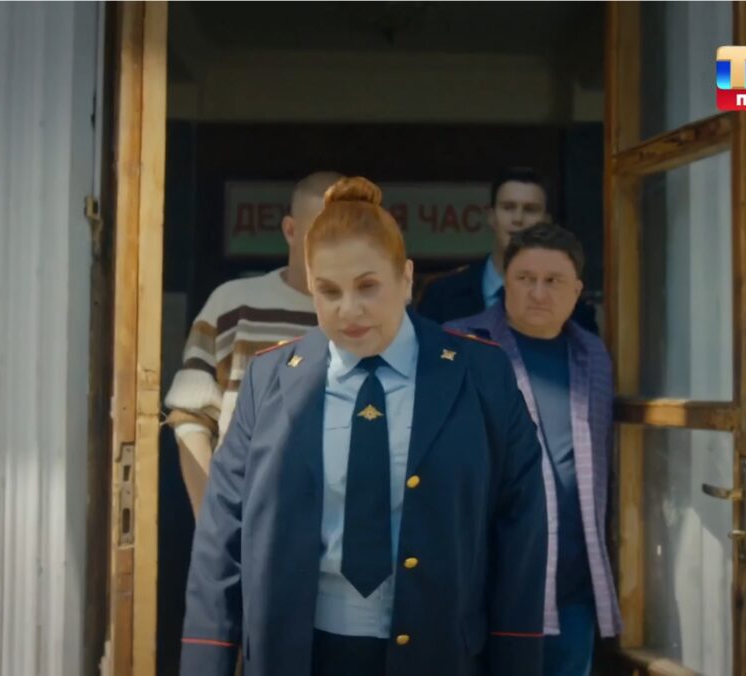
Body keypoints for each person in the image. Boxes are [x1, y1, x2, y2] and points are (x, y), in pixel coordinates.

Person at [181, 177, 548, 676]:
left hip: (440, 654)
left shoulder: (479, 374)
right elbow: (222, 538)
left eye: (368, 286)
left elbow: (521, 530)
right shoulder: (270, 380)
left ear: (406, 278)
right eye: (328, 291)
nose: (348, 310)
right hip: (300, 654)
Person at [446, 223, 622, 676]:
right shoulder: (458, 346)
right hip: (485, 589)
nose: (538, 292)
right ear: (505, 281)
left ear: (577, 290)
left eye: (553, 280)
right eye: (525, 278)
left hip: (572, 592)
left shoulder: (593, 355)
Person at [163, 171, 343, 515]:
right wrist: (213, 524)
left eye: (346, 233)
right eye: (321, 233)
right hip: (248, 520)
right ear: (290, 231)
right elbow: (191, 418)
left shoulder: (369, 316)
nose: (334, 246)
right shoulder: (234, 304)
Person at [416, 167, 598, 333]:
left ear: (546, 221)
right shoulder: (441, 296)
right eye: (508, 207)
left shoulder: (573, 308)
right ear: (491, 216)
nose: (518, 218)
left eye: (530, 209)